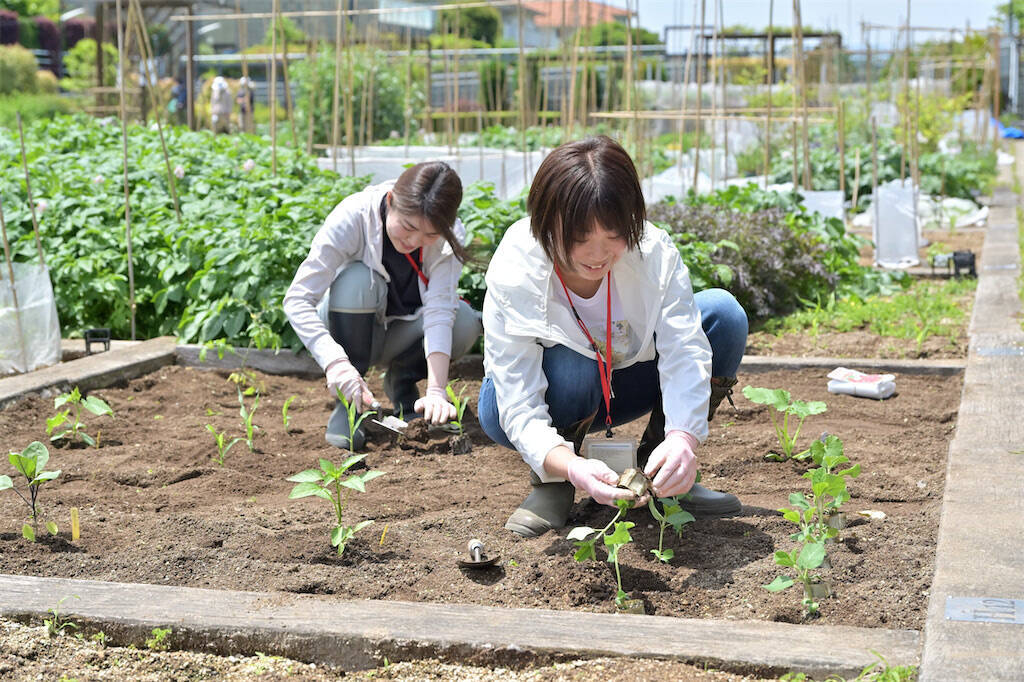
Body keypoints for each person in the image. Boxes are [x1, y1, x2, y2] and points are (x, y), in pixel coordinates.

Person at [478, 136, 748, 538]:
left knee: (723, 316)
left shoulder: (653, 254)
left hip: (619, 383)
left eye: (615, 236)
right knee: (574, 362)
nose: (597, 254)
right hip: (534, 397)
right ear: (546, 224)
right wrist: (571, 465)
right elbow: (517, 401)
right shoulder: (517, 269)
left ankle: (663, 473)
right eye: (579, 238)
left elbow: (685, 348)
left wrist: (683, 439)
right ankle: (552, 484)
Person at [284, 162, 482, 450]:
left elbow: (440, 310)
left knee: (464, 322)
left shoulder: (449, 237)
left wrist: (437, 390)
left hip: (401, 335)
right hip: (350, 331)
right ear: (390, 202)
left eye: (430, 235)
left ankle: (404, 384)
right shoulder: (353, 216)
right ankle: (349, 403)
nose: (415, 241)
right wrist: (336, 363)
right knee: (357, 281)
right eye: (409, 227)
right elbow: (298, 298)